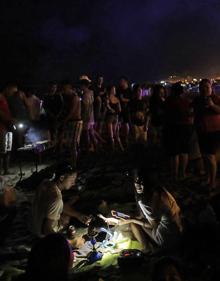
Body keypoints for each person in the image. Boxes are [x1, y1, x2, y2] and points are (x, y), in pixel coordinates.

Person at [101, 171, 182, 253]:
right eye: (136, 181)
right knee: (135, 218)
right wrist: (124, 216)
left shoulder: (146, 201)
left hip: (166, 241)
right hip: (178, 234)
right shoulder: (161, 191)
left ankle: (146, 249)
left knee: (133, 224)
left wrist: (130, 220)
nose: (137, 184)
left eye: (142, 182)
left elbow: (152, 226)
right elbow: (144, 217)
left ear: (148, 183)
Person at [32, 164, 90, 237]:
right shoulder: (57, 199)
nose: (74, 183)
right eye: (72, 179)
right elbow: (46, 228)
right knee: (67, 219)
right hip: (41, 233)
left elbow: (53, 206)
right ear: (62, 177)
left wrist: (79, 215)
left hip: (33, 224)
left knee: (67, 207)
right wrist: (59, 241)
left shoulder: (45, 183)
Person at [163, 82, 194, 181]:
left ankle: (174, 175)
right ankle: (183, 174)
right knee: (184, 151)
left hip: (172, 128)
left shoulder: (169, 101)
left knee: (174, 153)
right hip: (185, 128)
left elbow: (165, 114)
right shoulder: (186, 101)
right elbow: (190, 114)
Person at [193, 79, 220, 190]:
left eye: (206, 87)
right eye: (202, 87)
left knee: (210, 157)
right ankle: (208, 178)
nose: (204, 89)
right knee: (204, 156)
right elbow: (194, 113)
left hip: (213, 132)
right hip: (201, 131)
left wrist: (212, 105)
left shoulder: (215, 98)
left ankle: (212, 182)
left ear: (211, 88)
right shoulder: (197, 100)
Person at [0, 84, 15, 174]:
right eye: (12, 91)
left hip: (8, 126)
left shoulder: (5, 98)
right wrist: (10, 119)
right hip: (2, 127)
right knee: (2, 151)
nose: (12, 94)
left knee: (8, 149)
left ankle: (6, 170)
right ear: (7, 89)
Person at [105, 85, 124, 151]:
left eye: (114, 89)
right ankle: (118, 148)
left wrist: (112, 109)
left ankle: (116, 149)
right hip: (112, 116)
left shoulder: (114, 98)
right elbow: (107, 105)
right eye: (113, 89)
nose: (113, 90)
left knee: (113, 134)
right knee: (113, 134)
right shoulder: (111, 98)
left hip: (113, 116)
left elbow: (119, 109)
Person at [117, 76, 132, 147]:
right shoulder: (119, 90)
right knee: (119, 124)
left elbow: (131, 99)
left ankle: (126, 138)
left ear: (126, 82)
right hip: (119, 109)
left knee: (126, 124)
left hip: (126, 110)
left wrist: (124, 100)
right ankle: (119, 137)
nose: (120, 82)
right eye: (120, 81)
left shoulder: (129, 90)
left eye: (122, 81)